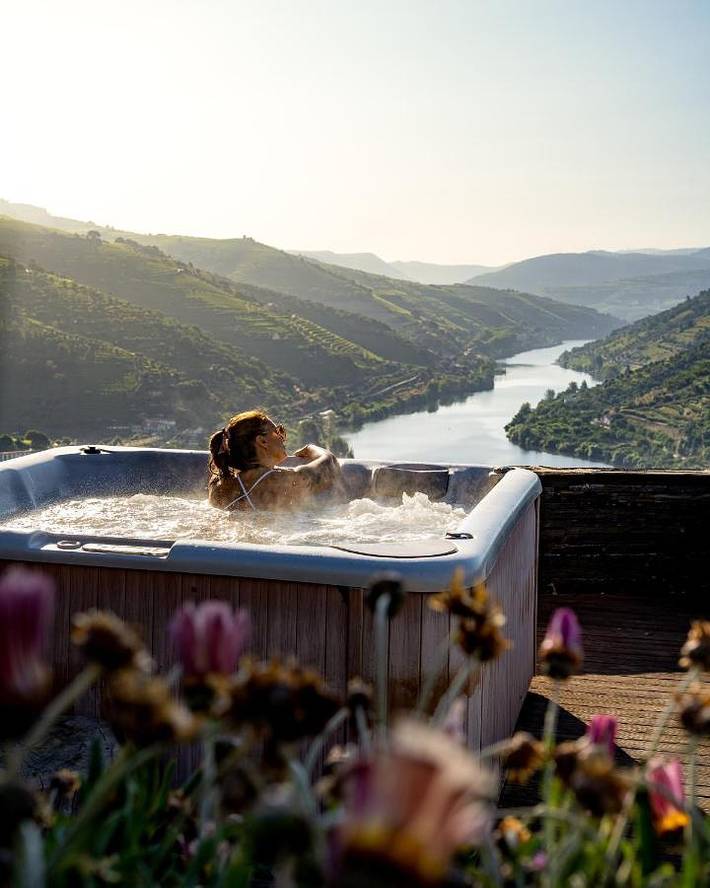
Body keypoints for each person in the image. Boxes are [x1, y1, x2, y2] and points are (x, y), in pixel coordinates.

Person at [208, 410, 346, 512]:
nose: (282, 437)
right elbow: (330, 465)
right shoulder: (277, 481)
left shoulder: (218, 486)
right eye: (278, 431)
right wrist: (312, 448)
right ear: (262, 441)